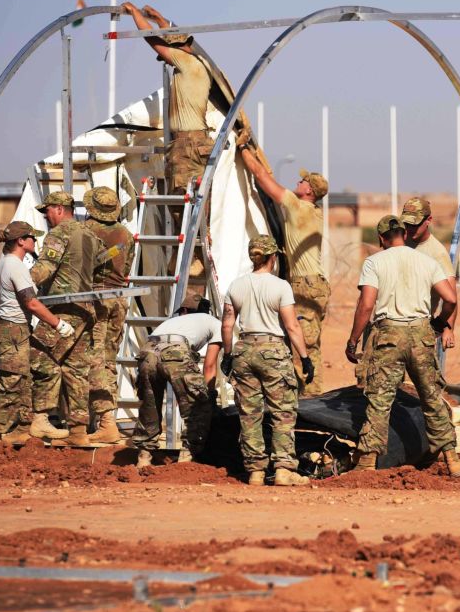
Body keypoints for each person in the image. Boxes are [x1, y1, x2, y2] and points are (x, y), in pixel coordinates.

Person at [345, 215, 460, 478]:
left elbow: (366, 304)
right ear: (404, 233)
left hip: (388, 335)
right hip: (421, 334)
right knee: (432, 398)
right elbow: (450, 298)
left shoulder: (374, 262)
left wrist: (353, 340)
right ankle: (452, 459)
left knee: (379, 400)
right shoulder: (426, 261)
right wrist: (438, 323)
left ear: (381, 238)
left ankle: (367, 462)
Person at [221, 235, 314, 487]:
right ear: (273, 257)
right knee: (282, 412)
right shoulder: (280, 286)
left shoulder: (236, 285)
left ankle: (255, 472)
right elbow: (292, 325)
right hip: (273, 351)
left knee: (249, 414)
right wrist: (305, 358)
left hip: (244, 350)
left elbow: (228, 323)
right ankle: (283, 469)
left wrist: (228, 355)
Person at [238, 147, 330, 396]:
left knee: (303, 343)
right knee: (310, 343)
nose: (297, 182)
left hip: (305, 286)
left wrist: (243, 149)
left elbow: (260, 176)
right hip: (312, 284)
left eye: (302, 181)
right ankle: (312, 394)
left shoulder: (297, 206)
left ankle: (309, 397)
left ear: (309, 190)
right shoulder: (313, 211)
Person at [0, 221, 74, 444]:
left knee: (32, 375)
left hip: (10, 329)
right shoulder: (15, 266)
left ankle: (28, 425)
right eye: (33, 238)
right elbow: (31, 303)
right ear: (21, 241)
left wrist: (5, 300)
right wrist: (58, 324)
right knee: (11, 381)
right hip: (12, 331)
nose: (36, 241)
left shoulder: (1, 264)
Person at [29, 191, 104, 445]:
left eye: (47, 211)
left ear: (59, 209)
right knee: (76, 369)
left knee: (40, 358)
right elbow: (102, 266)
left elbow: (45, 269)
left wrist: (19, 283)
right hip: (85, 309)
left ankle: (40, 418)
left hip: (62, 308)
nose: (46, 216)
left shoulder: (58, 234)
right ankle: (78, 431)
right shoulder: (89, 235)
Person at [120, 2, 213, 195]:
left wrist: (136, 13)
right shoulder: (200, 62)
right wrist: (158, 17)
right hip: (197, 142)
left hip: (188, 144)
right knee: (198, 201)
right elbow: (174, 35)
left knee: (183, 202)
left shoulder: (186, 62)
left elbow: (152, 39)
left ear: (178, 47)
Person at [132, 295, 222, 468]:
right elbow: (209, 366)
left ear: (184, 311)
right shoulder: (213, 322)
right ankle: (187, 458)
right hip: (176, 350)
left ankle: (144, 457)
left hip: (147, 350)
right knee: (198, 406)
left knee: (149, 405)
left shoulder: (171, 323)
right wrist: (208, 396)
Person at [82, 186, 135, 445]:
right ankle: (105, 419)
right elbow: (126, 267)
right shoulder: (125, 234)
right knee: (109, 360)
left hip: (97, 299)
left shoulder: (87, 231)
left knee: (95, 361)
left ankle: (105, 422)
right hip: (118, 299)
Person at [399, 197, 457, 350]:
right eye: (406, 223)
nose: (410, 228)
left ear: (428, 220)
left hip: (419, 329)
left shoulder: (437, 253)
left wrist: (447, 328)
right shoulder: (398, 242)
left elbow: (450, 297)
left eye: (415, 224)